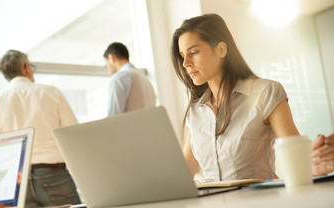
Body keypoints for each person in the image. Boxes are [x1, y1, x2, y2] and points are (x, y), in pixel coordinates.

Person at [171, 13, 305, 181]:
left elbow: (298, 157)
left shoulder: (266, 92)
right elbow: (183, 176)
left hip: (261, 203)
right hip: (212, 205)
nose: (185, 64)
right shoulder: (196, 111)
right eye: (183, 56)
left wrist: (319, 157)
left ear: (221, 50)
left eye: (194, 52)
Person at [0, 50, 81, 208]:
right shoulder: (51, 92)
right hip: (53, 173)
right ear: (26, 67)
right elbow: (73, 134)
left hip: (15, 180)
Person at [103, 42, 156, 116]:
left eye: (106, 65)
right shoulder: (146, 80)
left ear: (111, 58)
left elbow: (113, 117)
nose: (108, 69)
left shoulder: (119, 78)